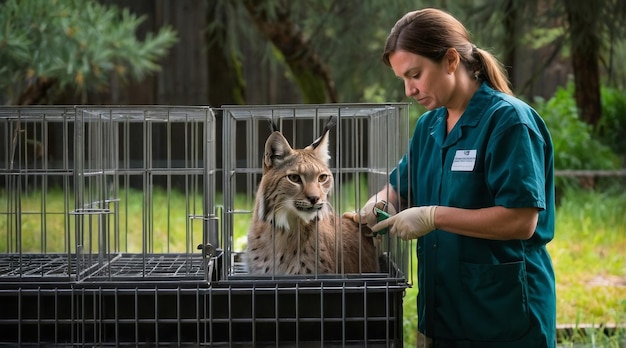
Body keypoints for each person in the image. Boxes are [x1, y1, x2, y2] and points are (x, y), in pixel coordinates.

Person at [347, 8, 556, 348]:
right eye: (402, 79)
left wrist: (433, 217)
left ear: (450, 60)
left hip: (502, 313)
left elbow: (521, 220)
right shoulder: (429, 126)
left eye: (415, 74)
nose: (408, 90)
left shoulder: (509, 122)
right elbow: (401, 187)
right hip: (441, 309)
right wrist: (381, 203)